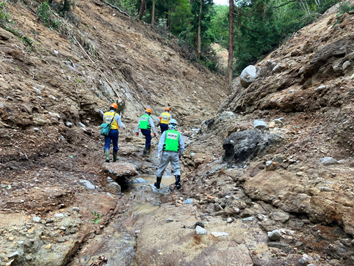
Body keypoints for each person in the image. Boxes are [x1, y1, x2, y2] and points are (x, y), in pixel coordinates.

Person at [155, 119, 184, 190]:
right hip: (175, 154)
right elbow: (182, 146)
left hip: (165, 153)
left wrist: (159, 153)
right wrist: (180, 154)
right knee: (176, 168)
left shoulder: (165, 133)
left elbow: (161, 144)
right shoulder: (178, 134)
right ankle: (178, 183)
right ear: (176, 126)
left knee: (161, 168)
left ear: (169, 125)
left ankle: (158, 184)